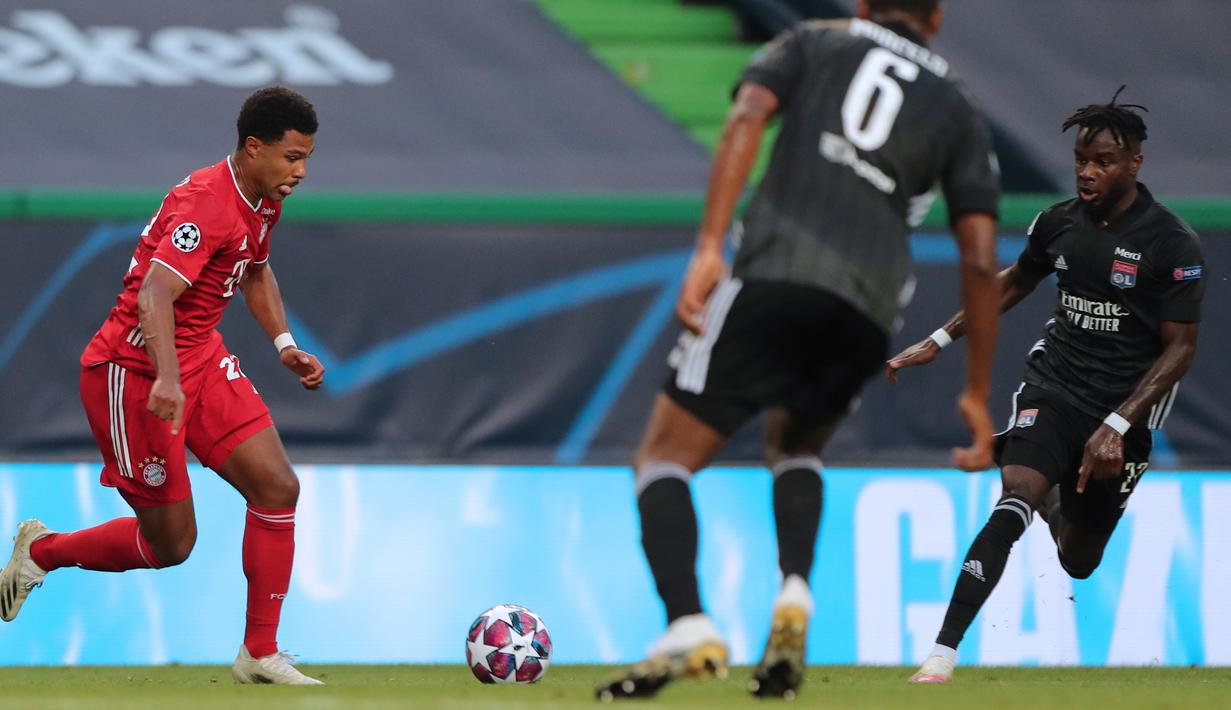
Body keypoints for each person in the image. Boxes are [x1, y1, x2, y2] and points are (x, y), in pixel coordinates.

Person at [596, 0, 1002, 700]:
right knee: (796, 446)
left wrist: (706, 247)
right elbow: (978, 254)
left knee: (664, 456)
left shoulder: (813, 40)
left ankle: (688, 621)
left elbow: (748, 113)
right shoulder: (959, 109)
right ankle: (792, 590)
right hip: (869, 306)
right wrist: (974, 388)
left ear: (864, 4)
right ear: (935, 18)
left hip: (777, 269)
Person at [0, 87, 327, 685]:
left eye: (306, 158)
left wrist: (284, 346)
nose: (300, 171)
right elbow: (154, 293)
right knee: (171, 546)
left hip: (199, 361)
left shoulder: (262, 197)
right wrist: (169, 382)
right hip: (134, 376)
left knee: (277, 487)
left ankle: (259, 652)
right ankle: (42, 552)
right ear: (254, 148)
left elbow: (253, 269)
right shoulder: (207, 202)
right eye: (291, 157)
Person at [888, 87, 1204, 683]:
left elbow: (1180, 347)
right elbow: (1012, 282)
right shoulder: (1057, 223)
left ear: (1135, 163)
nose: (1088, 171)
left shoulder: (1173, 243)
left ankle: (1060, 497)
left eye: (1103, 161)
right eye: (1082, 159)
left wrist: (1116, 426)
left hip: (1125, 411)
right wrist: (939, 338)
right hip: (1053, 385)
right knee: (1014, 499)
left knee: (1078, 560)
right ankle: (943, 652)